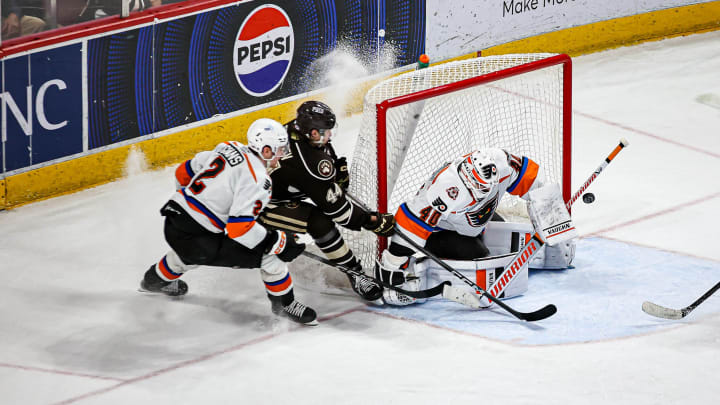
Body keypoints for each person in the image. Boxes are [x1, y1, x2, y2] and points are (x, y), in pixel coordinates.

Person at [139, 118, 317, 326]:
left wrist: (192, 205)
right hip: (198, 241)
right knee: (271, 257)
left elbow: (183, 172)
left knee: (191, 251)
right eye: (279, 149)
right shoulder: (259, 179)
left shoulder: (229, 147)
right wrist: (280, 242)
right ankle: (284, 305)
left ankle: (152, 280)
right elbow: (239, 229)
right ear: (266, 150)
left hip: (173, 221)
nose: (281, 154)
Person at [377, 148, 576, 306]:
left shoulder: (500, 161)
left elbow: (533, 183)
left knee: (501, 231)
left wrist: (553, 223)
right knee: (480, 254)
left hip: (474, 222)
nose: (483, 191)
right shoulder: (448, 189)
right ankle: (430, 262)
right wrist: (393, 269)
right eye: (479, 189)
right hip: (442, 232)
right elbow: (409, 223)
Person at [257, 101, 395, 302]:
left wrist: (332, 176)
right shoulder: (309, 164)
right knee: (319, 222)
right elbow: (339, 212)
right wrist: (370, 221)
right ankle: (355, 273)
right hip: (259, 206)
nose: (330, 135)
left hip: (266, 190)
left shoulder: (293, 129)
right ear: (313, 133)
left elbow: (321, 153)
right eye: (327, 131)